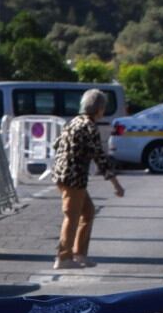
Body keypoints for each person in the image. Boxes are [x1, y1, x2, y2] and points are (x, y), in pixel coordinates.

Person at [51, 88, 125, 269]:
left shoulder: (73, 122)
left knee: (88, 212)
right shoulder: (89, 127)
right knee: (72, 216)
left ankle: (80, 254)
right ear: (99, 109)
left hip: (61, 175)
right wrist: (116, 184)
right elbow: (100, 157)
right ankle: (63, 257)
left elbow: (56, 144)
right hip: (74, 178)